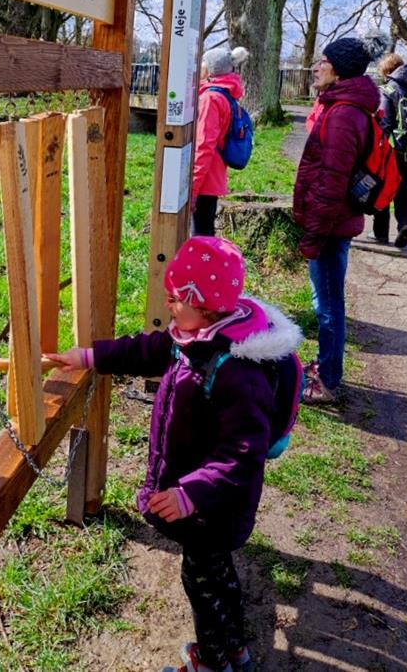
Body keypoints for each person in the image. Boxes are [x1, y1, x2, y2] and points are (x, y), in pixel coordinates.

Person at [46, 236, 301, 672]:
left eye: (176, 299)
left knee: (202, 581)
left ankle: (212, 662)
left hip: (213, 508)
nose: (168, 306)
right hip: (203, 500)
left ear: (208, 306)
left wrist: (190, 494)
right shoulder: (194, 336)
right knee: (217, 576)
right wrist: (89, 356)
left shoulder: (238, 373)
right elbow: (147, 350)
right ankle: (233, 647)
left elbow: (243, 454)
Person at [293, 36, 383, 404]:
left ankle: (328, 382)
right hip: (332, 224)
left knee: (328, 306)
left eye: (322, 61)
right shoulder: (341, 106)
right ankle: (326, 366)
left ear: (339, 69)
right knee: (326, 300)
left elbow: (332, 182)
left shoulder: (345, 114)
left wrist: (314, 234)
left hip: (331, 226)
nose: (315, 67)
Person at [368, 53, 407, 248]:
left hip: (393, 149)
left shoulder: (388, 90)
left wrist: (377, 146)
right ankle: (406, 223)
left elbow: (385, 123)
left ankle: (380, 233)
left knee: (384, 186)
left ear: (386, 71)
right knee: (402, 187)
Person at [191, 47, 250, 236]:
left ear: (210, 69)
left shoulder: (210, 98)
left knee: (201, 236)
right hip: (214, 174)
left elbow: (204, 145)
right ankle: (207, 264)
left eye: (203, 63)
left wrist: (193, 187)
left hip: (204, 179)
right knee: (205, 231)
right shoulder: (226, 95)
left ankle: (205, 265)